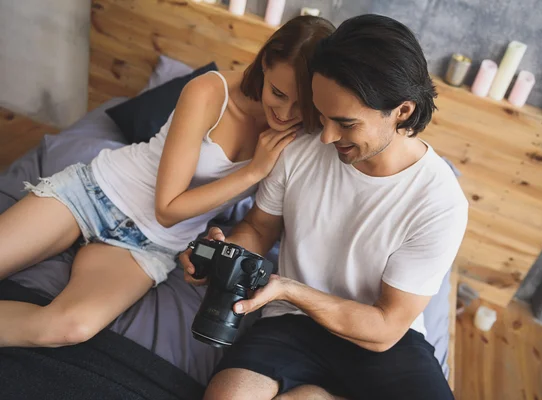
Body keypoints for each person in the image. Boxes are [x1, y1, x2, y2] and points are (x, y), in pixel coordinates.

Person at [0, 16, 334, 348]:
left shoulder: (304, 136)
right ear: (264, 63)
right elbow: (167, 208)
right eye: (278, 93)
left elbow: (261, 221)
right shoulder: (208, 92)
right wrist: (252, 172)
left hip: (152, 246)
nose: (286, 114)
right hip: (96, 192)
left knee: (69, 328)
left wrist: (220, 238)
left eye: (301, 105)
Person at [181, 14, 468, 400]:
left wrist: (291, 289)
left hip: (378, 340)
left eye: (346, 123)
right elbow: (261, 229)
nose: (326, 135)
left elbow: (385, 326)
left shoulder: (440, 202)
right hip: (291, 326)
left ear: (402, 111)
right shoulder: (299, 148)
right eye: (321, 113)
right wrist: (227, 259)